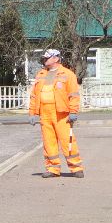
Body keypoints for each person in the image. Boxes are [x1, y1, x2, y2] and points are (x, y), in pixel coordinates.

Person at [27, 48, 83, 177]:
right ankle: (53, 169)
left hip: (61, 114)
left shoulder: (68, 74)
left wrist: (73, 111)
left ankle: (76, 168)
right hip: (45, 113)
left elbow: (74, 95)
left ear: (56, 58)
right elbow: (34, 96)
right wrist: (32, 113)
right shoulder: (41, 74)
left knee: (67, 141)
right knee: (48, 142)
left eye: (47, 58)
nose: (44, 60)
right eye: (44, 58)